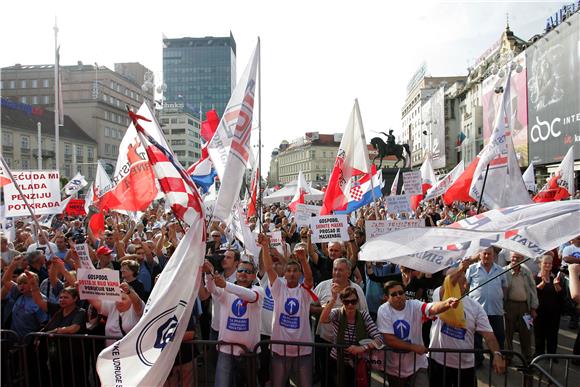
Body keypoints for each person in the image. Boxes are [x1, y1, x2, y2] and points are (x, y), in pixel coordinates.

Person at [428, 262, 506, 387]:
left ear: (464, 284)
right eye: (447, 280)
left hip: (464, 365)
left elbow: (489, 336)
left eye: (454, 280)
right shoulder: (440, 295)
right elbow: (447, 285)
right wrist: (461, 269)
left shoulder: (476, 308)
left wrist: (497, 354)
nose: (449, 283)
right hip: (438, 362)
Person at [377, 280, 459, 387]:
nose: (398, 296)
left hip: (418, 364)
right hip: (395, 367)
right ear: (387, 298)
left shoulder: (414, 304)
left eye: (401, 293)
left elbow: (432, 308)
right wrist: (413, 347)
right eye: (393, 294)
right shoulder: (383, 310)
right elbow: (389, 339)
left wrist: (447, 303)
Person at [260, 235, 316, 387]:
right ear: (284, 274)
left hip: (302, 351)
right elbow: (269, 268)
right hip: (280, 350)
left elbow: (309, 279)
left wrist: (303, 260)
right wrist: (265, 247)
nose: (291, 273)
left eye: (295, 271)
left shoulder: (304, 291)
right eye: (289, 270)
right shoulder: (278, 288)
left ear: (299, 274)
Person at [205, 259, 265, 387]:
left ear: (254, 276)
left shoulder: (258, 290)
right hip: (226, 350)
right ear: (236, 273)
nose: (243, 273)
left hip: (249, 353)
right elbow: (211, 289)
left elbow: (250, 296)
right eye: (241, 270)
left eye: (248, 271)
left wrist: (226, 285)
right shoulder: (226, 289)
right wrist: (208, 274)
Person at [320, 286, 383, 387]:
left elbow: (379, 339)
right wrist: (332, 300)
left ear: (357, 301)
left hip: (358, 363)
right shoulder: (337, 313)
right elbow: (323, 319)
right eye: (346, 302)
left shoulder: (364, 316)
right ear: (342, 302)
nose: (350, 305)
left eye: (353, 301)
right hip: (337, 361)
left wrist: (362, 348)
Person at [465, 247, 507, 366]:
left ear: (494, 255)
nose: (487, 256)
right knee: (476, 339)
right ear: (480, 255)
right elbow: (466, 287)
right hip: (477, 311)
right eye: (485, 254)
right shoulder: (472, 269)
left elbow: (504, 287)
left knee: (498, 337)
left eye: (489, 254)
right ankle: (478, 360)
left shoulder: (500, 270)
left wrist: (498, 297)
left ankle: (498, 361)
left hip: (496, 310)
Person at [503, 252, 538, 363]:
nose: (515, 259)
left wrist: (533, 308)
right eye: (513, 257)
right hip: (509, 306)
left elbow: (533, 289)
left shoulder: (526, 271)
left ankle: (527, 358)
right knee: (507, 333)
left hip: (525, 307)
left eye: (518, 258)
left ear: (523, 259)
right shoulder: (504, 271)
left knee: (526, 333)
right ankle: (508, 357)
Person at [534, 254, 564, 357]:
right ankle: (539, 353)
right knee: (539, 333)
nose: (548, 265)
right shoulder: (535, 277)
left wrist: (557, 286)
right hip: (539, 311)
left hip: (554, 312)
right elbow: (533, 294)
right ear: (539, 264)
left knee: (553, 334)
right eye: (545, 263)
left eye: (550, 263)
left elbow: (561, 296)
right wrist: (541, 284)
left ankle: (552, 355)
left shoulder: (556, 277)